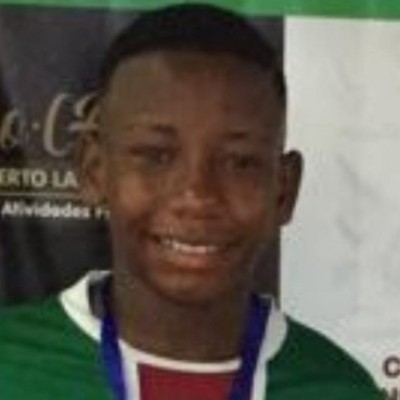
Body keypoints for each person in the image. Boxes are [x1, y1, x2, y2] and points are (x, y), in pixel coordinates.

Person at [0, 3, 383, 399]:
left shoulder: (340, 389)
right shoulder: (9, 365)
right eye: (156, 155)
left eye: (240, 162)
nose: (197, 196)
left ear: (284, 191)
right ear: (95, 170)